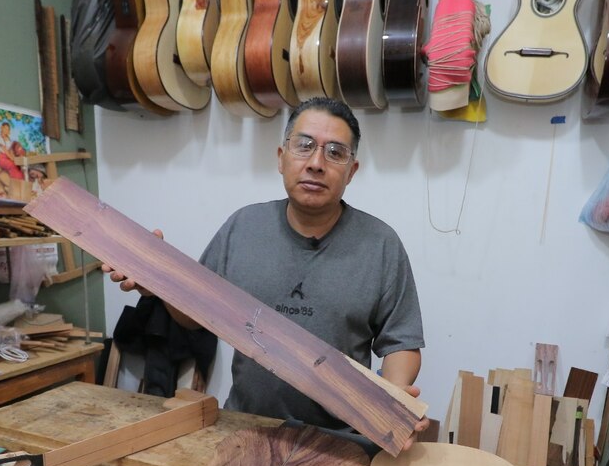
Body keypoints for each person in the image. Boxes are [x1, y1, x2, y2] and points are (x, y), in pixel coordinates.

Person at [103, 97, 428, 443]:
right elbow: (194, 316)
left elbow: (401, 343)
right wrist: (158, 282)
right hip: (244, 427)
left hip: (342, 440)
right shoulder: (243, 227)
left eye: (335, 152)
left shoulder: (380, 244)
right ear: (281, 158)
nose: (316, 163)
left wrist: (392, 400)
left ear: (352, 171)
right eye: (303, 146)